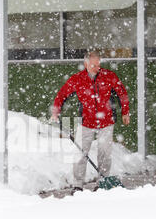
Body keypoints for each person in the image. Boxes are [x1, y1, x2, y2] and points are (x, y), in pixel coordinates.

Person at [51, 50, 130, 192]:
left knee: (104, 152)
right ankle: (78, 185)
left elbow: (122, 93)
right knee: (80, 154)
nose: (97, 68)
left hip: (106, 121)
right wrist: (55, 112)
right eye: (93, 65)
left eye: (98, 65)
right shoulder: (77, 79)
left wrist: (125, 112)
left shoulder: (109, 76)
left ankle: (102, 182)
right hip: (86, 122)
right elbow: (62, 95)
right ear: (85, 64)